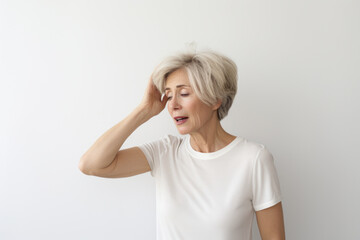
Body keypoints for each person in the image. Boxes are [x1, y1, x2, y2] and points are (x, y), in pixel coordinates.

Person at [78, 48, 286, 240]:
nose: (173, 105)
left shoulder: (254, 158)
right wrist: (144, 110)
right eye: (169, 96)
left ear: (215, 100)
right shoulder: (165, 152)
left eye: (184, 94)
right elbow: (91, 165)